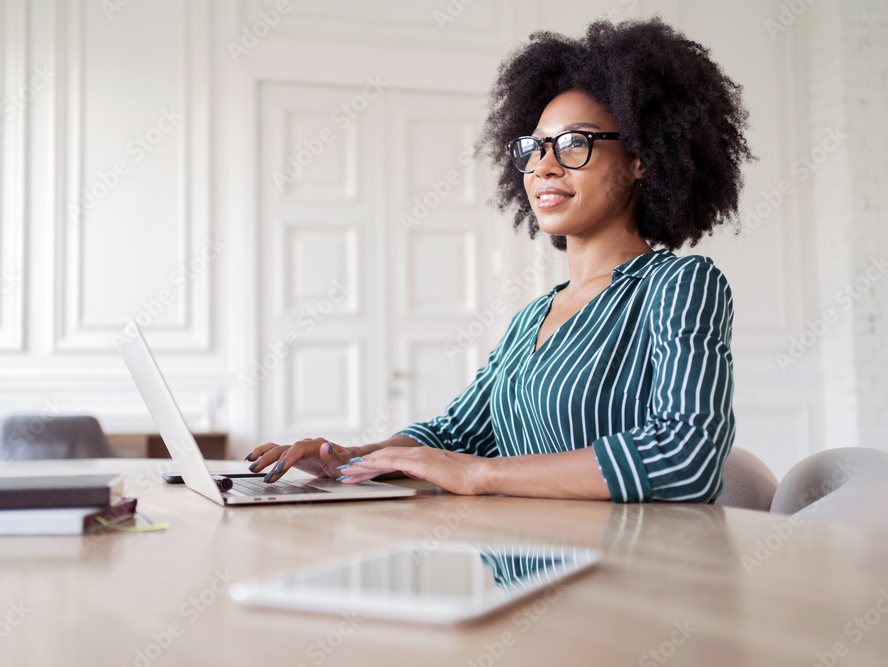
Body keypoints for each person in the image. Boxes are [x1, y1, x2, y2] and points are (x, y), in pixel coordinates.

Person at [246, 18, 754, 502]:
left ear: (642, 158)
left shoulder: (681, 285)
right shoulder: (532, 318)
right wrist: (348, 459)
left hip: (631, 573)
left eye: (575, 143)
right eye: (534, 148)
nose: (544, 166)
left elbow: (686, 457)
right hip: (527, 568)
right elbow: (456, 433)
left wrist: (479, 474)